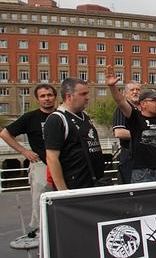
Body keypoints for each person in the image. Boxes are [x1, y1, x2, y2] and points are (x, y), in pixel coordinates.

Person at [0, 84, 57, 249]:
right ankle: (41, 231)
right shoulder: (30, 117)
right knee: (40, 196)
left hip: (62, 162)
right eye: (43, 96)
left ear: (55, 96)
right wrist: (24, 151)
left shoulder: (62, 115)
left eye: (49, 95)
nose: (47, 98)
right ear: (38, 99)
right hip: (40, 163)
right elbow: (5, 133)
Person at [45, 78, 104, 190]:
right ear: (69, 96)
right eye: (83, 94)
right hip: (75, 186)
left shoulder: (84, 116)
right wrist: (63, 192)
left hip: (93, 184)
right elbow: (52, 158)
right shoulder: (57, 120)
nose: (87, 97)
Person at [111, 81, 141, 184]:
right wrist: (142, 134)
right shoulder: (122, 108)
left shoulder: (142, 109)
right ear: (125, 93)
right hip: (129, 155)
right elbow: (119, 132)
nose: (135, 92)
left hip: (143, 156)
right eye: (132, 90)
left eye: (138, 90)